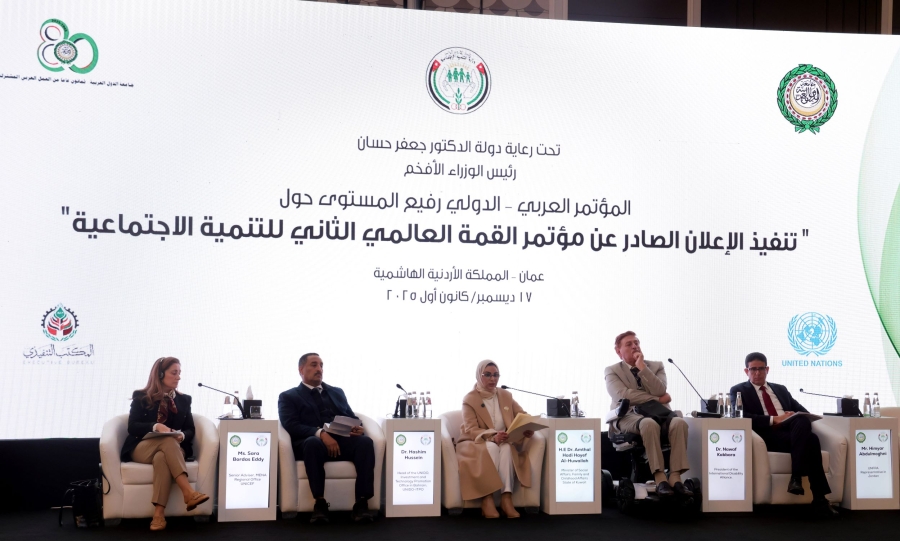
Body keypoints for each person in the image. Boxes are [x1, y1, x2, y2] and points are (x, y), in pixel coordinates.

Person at [730, 352, 837, 517]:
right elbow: (740, 415)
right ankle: (818, 498)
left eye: (761, 369)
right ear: (746, 371)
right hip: (768, 435)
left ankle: (798, 480)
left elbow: (803, 411)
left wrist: (792, 415)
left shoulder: (780, 389)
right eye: (753, 369)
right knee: (811, 440)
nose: (757, 373)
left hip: (791, 433)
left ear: (767, 370)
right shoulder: (738, 390)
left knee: (803, 423)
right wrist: (775, 419)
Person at [278, 353, 375, 523]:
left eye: (321, 365)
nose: (319, 369)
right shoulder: (288, 396)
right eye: (314, 365)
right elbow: (291, 424)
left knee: (365, 442)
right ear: (301, 370)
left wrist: (356, 427)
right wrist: (321, 433)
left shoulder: (337, 392)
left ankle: (361, 503)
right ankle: (320, 503)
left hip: (341, 441)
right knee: (312, 443)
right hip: (312, 443)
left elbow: (350, 416)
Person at [120, 357, 209, 531]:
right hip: (143, 447)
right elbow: (132, 426)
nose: (178, 377)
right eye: (174, 373)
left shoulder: (184, 400)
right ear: (160, 374)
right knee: (167, 441)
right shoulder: (141, 397)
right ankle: (188, 492)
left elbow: (190, 429)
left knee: (162, 456)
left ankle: (159, 515)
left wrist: (181, 435)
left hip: (174, 448)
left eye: (179, 373)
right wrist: (156, 426)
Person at [605, 331, 692, 497]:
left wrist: (642, 368)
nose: (635, 346)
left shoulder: (656, 366)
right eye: (629, 344)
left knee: (679, 422)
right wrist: (658, 399)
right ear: (618, 351)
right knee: (648, 423)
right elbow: (623, 395)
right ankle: (660, 478)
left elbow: (660, 389)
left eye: (636, 342)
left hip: (658, 413)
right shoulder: (612, 370)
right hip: (628, 415)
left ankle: (675, 476)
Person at [456, 360, 535, 519]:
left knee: (506, 448)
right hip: (475, 442)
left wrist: (526, 427)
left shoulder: (505, 395)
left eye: (496, 375)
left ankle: (506, 498)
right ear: (479, 375)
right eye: (487, 375)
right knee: (492, 447)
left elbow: (522, 415)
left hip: (503, 441)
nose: (493, 379)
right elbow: (471, 429)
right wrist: (492, 436)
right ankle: (488, 499)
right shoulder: (469, 399)